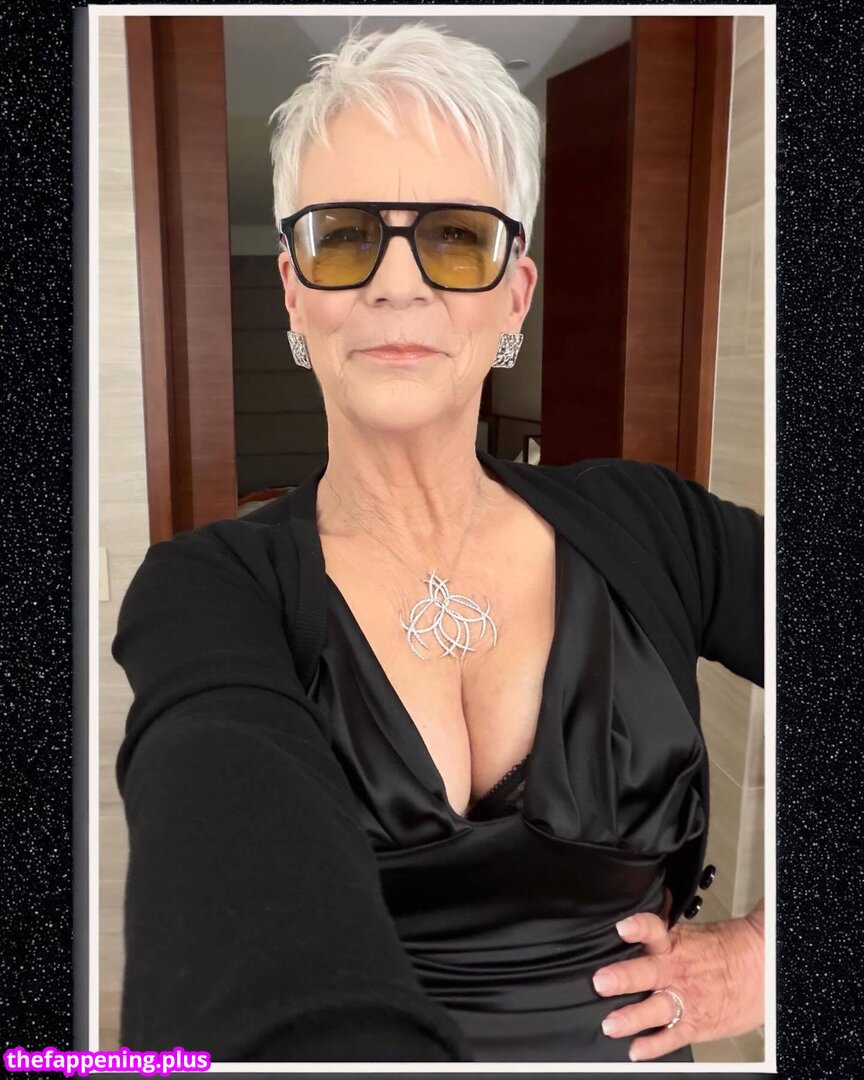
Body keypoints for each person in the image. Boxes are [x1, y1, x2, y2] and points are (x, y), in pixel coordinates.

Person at [113, 24, 765, 1064]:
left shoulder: (657, 525)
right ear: (294, 290)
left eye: (456, 237)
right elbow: (223, 899)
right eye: (343, 236)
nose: (397, 283)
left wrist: (777, 951)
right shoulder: (209, 592)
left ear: (515, 292)